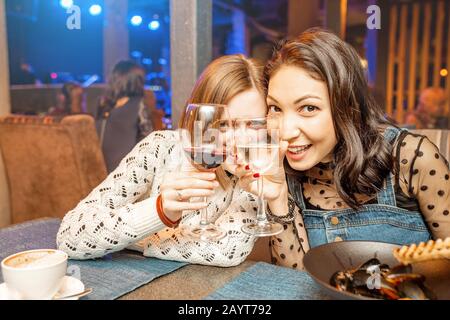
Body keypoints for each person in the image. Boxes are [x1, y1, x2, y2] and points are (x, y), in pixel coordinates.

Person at [237, 28, 450, 270]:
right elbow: (294, 284)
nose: (285, 133)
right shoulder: (281, 168)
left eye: (308, 108)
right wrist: (277, 201)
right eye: (275, 108)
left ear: (346, 108)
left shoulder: (412, 157)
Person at [56, 54, 269, 267]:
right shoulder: (161, 147)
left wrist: (133, 240)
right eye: (223, 125)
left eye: (254, 124)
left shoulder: (255, 175)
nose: (238, 140)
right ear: (200, 122)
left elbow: (227, 250)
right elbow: (70, 235)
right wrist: (159, 211)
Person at [96, 60, 156, 173]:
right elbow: (149, 142)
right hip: (127, 172)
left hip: (102, 170)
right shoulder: (139, 105)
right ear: (137, 82)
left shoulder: (104, 104)